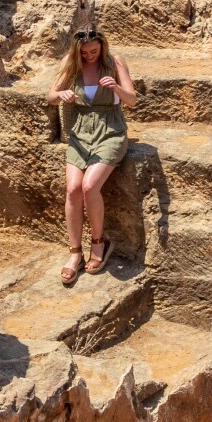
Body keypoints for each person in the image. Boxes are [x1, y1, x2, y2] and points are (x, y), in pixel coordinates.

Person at [53, 25, 137, 283]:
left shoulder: (115, 62)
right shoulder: (71, 62)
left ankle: (99, 242)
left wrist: (116, 88)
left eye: (94, 51)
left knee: (90, 186)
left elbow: (132, 99)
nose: (90, 56)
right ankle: (75, 253)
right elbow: (50, 95)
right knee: (72, 189)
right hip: (81, 132)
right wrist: (61, 94)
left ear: (102, 46)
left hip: (111, 130)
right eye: (85, 53)